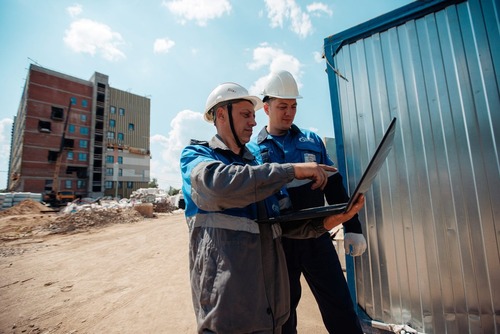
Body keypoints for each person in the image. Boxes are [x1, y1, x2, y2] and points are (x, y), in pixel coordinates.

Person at [180, 82, 365, 333]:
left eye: (253, 116)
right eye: (246, 115)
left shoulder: (260, 165)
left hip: (266, 298)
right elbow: (218, 185)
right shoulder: (197, 156)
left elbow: (282, 226)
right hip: (226, 305)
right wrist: (293, 170)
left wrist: (336, 220)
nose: (253, 122)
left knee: (333, 308)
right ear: (221, 115)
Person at [251, 70, 367, 333]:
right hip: (280, 244)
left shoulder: (312, 141)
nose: (289, 112)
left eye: (293, 106)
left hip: (317, 238)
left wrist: (353, 227)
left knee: (340, 307)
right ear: (266, 108)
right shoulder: (253, 151)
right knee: (283, 315)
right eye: (282, 106)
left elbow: (335, 184)